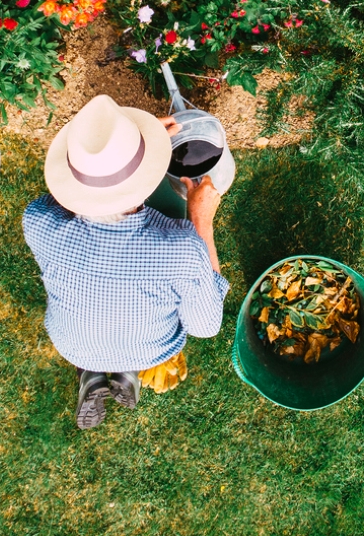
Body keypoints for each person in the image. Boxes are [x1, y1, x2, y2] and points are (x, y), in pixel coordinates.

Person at [23, 94, 228, 429]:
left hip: (74, 346)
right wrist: (201, 219)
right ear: (145, 180)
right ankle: (126, 369)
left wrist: (111, 163)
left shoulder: (39, 224)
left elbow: (55, 201)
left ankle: (91, 373)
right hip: (149, 350)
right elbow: (206, 327)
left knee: (101, 320)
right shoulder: (182, 250)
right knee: (133, 325)